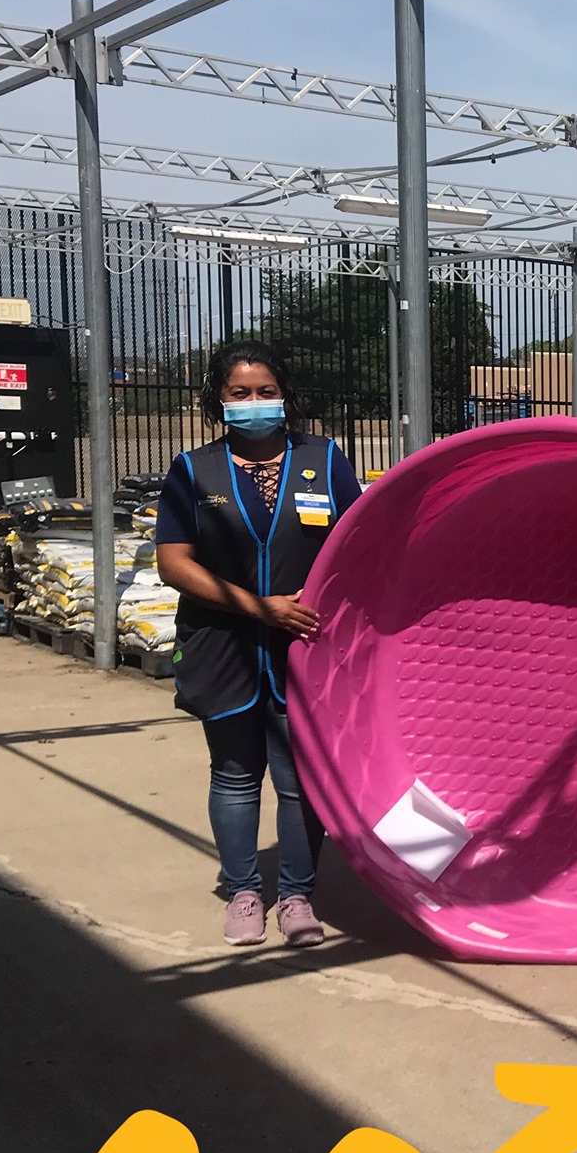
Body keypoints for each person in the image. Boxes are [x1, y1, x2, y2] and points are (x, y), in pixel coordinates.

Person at [156, 341, 362, 948]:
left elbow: (359, 542)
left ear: (285, 396)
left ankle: (297, 895)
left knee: (300, 780)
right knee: (235, 774)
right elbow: (174, 563)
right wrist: (258, 607)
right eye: (239, 393)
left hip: (304, 645)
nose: (254, 403)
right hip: (223, 643)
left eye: (265, 392)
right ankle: (245, 892)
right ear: (218, 401)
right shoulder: (194, 470)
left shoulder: (323, 460)